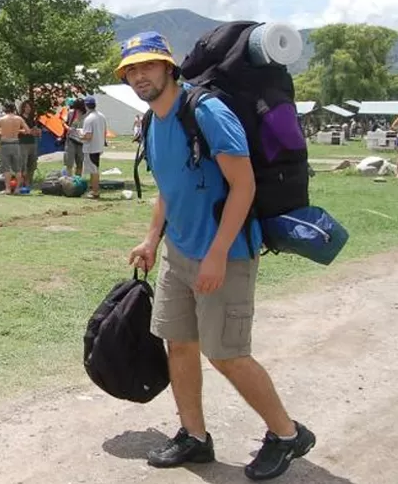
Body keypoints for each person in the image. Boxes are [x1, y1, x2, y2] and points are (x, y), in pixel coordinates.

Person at [119, 31, 315, 481]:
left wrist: (217, 255)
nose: (139, 76)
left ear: (169, 67)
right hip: (178, 253)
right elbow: (168, 191)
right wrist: (151, 240)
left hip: (226, 254)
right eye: (131, 69)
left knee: (227, 353)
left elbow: (243, 186)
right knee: (180, 345)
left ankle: (287, 435)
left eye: (147, 65)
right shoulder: (152, 122)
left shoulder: (206, 112)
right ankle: (195, 436)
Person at [0, 103, 29, 194]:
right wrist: (18, 131)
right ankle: (17, 189)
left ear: (5, 109)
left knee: (6, 168)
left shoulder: (1, 120)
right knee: (17, 168)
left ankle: (8, 189)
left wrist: (2, 133)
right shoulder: (19, 119)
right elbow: (27, 131)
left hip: (5, 144)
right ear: (14, 109)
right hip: (16, 144)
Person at [78, 96, 106, 199]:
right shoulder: (101, 116)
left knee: (93, 170)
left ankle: (95, 192)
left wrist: (80, 135)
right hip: (98, 146)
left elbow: (88, 136)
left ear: (86, 106)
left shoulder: (89, 119)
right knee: (94, 169)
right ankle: (93, 189)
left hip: (91, 148)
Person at [18, 100, 41, 188]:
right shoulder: (19, 118)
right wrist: (23, 131)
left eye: (30, 107)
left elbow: (33, 130)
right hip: (23, 143)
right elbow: (15, 130)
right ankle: (21, 184)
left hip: (33, 143)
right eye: (26, 107)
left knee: (32, 164)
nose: (28, 109)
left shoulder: (32, 119)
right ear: (23, 108)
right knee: (23, 164)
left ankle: (29, 183)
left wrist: (38, 131)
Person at [64, 99, 86, 176]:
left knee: (80, 162)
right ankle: (69, 180)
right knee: (69, 163)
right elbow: (64, 123)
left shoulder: (87, 116)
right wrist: (68, 128)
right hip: (71, 140)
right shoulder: (71, 113)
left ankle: (77, 180)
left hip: (82, 141)